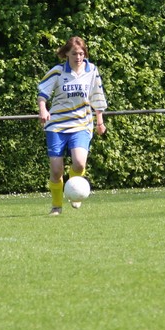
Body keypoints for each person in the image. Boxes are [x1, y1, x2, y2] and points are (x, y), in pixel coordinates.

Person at [37, 36, 107, 216]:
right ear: (67, 53)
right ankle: (56, 206)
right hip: (57, 126)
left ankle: (74, 189)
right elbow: (42, 93)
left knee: (79, 163)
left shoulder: (92, 70)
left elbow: (97, 96)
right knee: (56, 170)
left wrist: (100, 121)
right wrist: (43, 109)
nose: (78, 57)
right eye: (74, 53)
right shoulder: (58, 71)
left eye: (81, 53)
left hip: (81, 124)